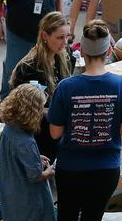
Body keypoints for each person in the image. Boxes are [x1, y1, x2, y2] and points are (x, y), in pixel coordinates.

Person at [48, 21, 122, 221]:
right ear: (109, 49)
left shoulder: (66, 87)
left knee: (65, 220)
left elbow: (54, 133)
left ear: (81, 52)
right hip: (104, 171)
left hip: (70, 169)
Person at [0, 84, 56, 221]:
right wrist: (48, 171)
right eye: (41, 108)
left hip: (9, 188)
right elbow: (34, 176)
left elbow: (15, 157)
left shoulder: (9, 128)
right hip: (26, 194)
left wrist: (34, 157)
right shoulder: (26, 141)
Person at [9, 12, 74, 160]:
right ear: (45, 36)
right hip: (39, 131)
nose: (65, 42)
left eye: (67, 36)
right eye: (59, 37)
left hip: (59, 125)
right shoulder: (29, 69)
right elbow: (29, 110)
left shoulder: (64, 55)